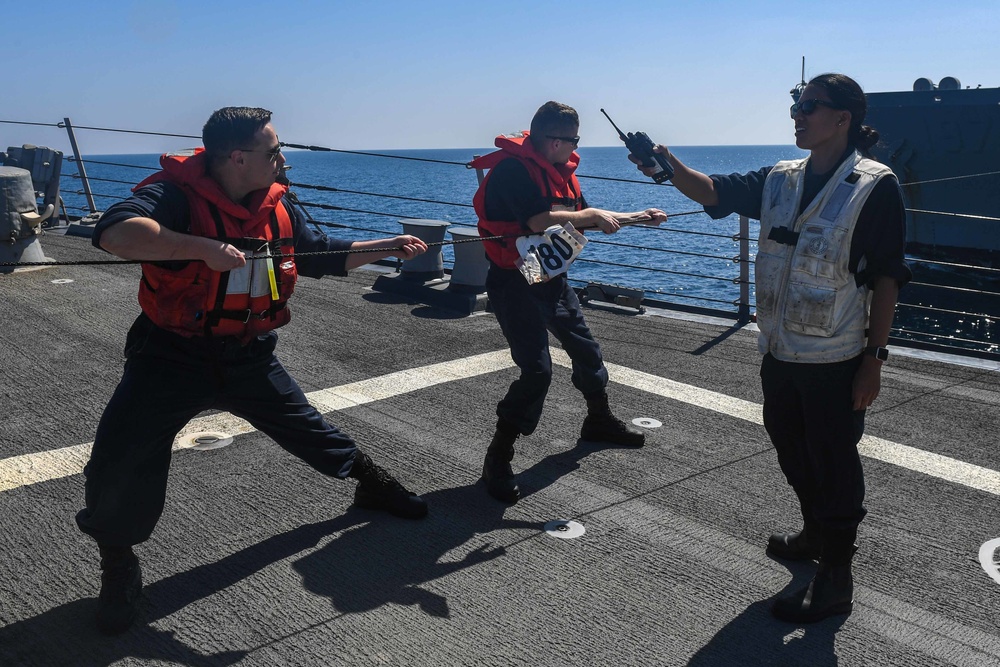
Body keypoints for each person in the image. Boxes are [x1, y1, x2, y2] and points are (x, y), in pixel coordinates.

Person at [76, 107, 431, 635]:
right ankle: (119, 563)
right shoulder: (174, 195)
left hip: (247, 352)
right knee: (123, 455)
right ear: (237, 158)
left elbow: (316, 254)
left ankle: (367, 480)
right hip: (170, 354)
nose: (283, 159)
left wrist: (384, 247)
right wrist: (199, 249)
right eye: (273, 151)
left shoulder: (277, 203)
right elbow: (115, 233)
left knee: (303, 424)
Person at [635, 74, 911, 622]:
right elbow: (713, 191)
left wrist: (873, 362)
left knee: (834, 462)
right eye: (796, 106)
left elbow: (887, 279)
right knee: (790, 448)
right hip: (780, 351)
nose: (798, 115)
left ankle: (836, 577)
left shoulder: (876, 186)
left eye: (810, 107)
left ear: (843, 119)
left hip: (835, 360)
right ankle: (814, 532)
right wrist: (667, 165)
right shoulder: (780, 178)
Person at [470, 101, 667, 504]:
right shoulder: (513, 170)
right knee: (536, 371)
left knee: (586, 351)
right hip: (514, 281)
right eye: (574, 140)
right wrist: (594, 214)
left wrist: (637, 217)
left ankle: (598, 420)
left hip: (547, 275)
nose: (576, 147)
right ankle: (499, 456)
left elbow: (584, 216)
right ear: (556, 140)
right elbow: (539, 221)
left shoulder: (560, 173)